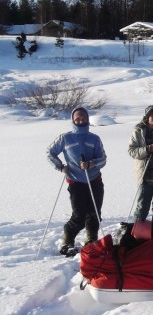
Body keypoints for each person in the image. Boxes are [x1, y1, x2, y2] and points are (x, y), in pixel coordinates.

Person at [47, 107, 107, 254]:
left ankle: (91, 238)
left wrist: (92, 163)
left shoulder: (94, 138)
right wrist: (60, 167)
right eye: (77, 118)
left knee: (94, 212)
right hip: (75, 182)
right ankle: (67, 240)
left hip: (94, 179)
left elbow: (103, 159)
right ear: (73, 120)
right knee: (79, 215)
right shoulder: (65, 138)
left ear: (87, 119)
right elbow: (50, 152)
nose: (80, 121)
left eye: (83, 118)